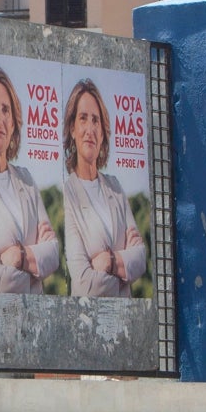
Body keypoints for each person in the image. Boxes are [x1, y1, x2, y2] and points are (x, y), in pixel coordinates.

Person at [0, 67, 59, 293]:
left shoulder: (26, 180)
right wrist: (35, 263)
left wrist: (17, 256)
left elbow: (54, 255)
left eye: (6, 110)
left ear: (14, 121)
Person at [61, 78, 146, 297]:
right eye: (83, 119)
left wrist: (108, 261)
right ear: (72, 128)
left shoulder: (115, 188)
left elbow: (141, 259)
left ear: (103, 131)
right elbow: (84, 283)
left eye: (96, 120)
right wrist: (124, 270)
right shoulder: (67, 194)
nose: (90, 129)